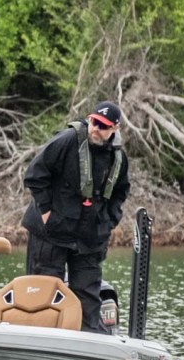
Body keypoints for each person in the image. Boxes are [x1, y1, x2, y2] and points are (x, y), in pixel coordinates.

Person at [21, 101, 130, 333]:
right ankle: (41, 341)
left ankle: (90, 343)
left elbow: (120, 193)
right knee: (43, 293)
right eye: (94, 122)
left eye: (103, 125)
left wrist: (107, 223)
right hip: (51, 233)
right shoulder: (66, 141)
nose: (95, 128)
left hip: (89, 238)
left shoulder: (119, 158)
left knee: (88, 299)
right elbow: (34, 175)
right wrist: (46, 213)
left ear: (115, 128)